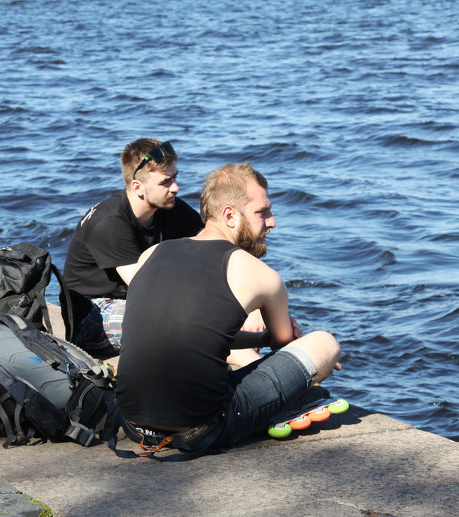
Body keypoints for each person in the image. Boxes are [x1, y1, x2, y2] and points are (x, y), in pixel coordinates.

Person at [114, 162, 342, 456]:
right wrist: (310, 361)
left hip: (132, 424)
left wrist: (259, 339)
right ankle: (288, 403)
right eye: (263, 213)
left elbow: (193, 332)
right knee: (324, 344)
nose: (272, 222)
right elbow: (285, 348)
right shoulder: (260, 274)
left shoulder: (152, 254)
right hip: (201, 430)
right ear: (230, 215)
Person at [63, 138, 203, 357]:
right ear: (138, 187)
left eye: (175, 177)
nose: (175, 188)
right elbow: (147, 287)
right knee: (179, 320)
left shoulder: (168, 207)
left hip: (132, 301)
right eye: (166, 182)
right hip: (91, 315)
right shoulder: (109, 222)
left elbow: (214, 244)